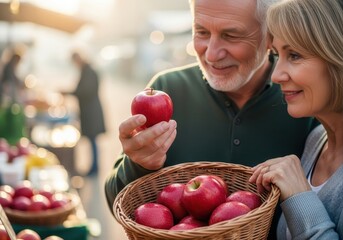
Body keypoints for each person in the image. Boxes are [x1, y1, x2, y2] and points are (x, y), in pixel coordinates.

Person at [105, 0, 318, 237]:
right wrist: (137, 163)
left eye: (231, 35)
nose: (212, 53)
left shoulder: (305, 99)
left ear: (270, 36)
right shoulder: (167, 89)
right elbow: (119, 206)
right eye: (201, 32)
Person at [249, 0, 343, 239]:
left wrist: (299, 197)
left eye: (295, 55)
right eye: (276, 55)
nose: (277, 75)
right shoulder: (317, 140)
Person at [68, 51, 106, 176]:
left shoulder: (89, 71)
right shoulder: (87, 70)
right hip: (89, 110)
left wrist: (70, 92)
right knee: (92, 140)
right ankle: (93, 167)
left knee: (93, 139)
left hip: (91, 111)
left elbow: (86, 91)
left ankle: (94, 168)